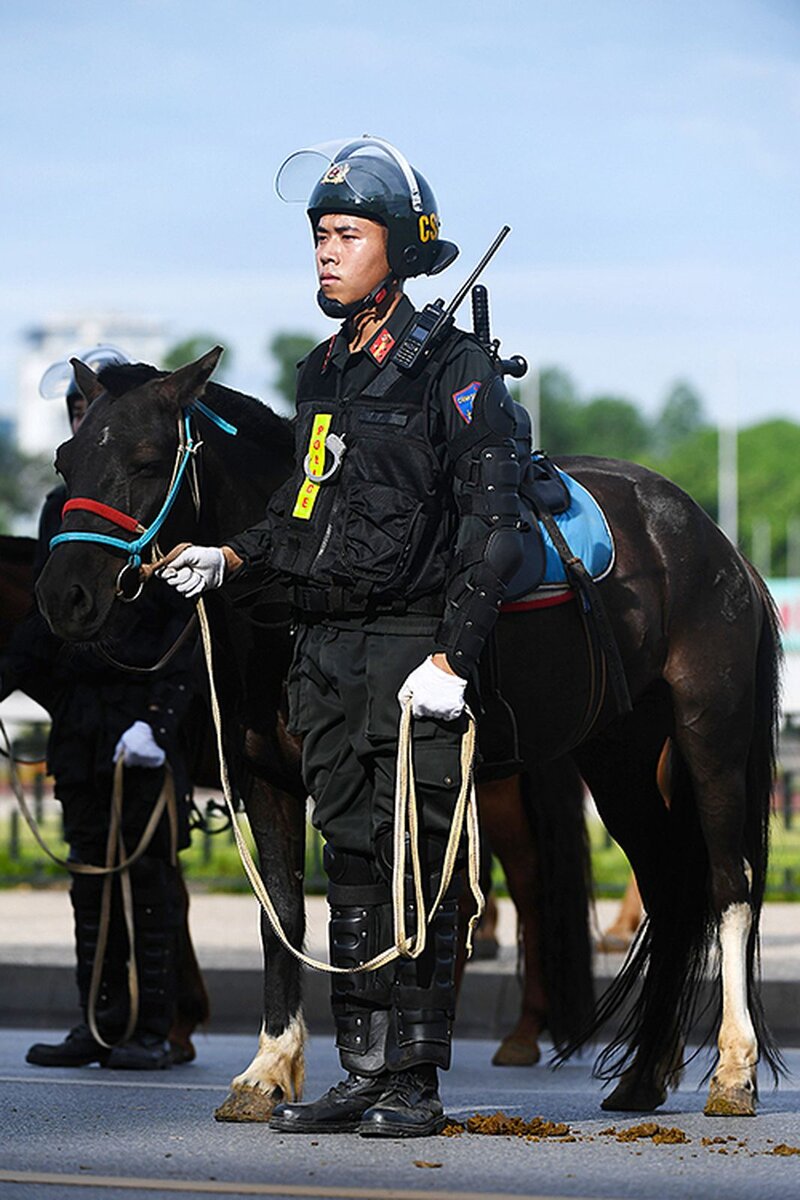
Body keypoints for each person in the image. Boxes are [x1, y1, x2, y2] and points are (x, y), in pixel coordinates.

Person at [159, 137, 529, 1134]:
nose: (324, 251)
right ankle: (362, 1069)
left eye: (346, 234)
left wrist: (453, 656)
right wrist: (230, 558)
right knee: (354, 865)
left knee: (421, 865)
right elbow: (301, 505)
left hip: (415, 649)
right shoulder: (321, 372)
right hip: (325, 652)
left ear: (399, 250)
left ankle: (413, 1078)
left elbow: (497, 523)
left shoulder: (454, 371)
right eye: (318, 235)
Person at [0, 348, 197, 1071]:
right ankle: (98, 1022)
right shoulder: (65, 509)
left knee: (148, 884)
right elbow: (41, 624)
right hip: (81, 717)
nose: (87, 420)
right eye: (81, 413)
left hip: (141, 715)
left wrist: (159, 718)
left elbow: (182, 623)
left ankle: (154, 1030)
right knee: (90, 879)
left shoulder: (157, 497)